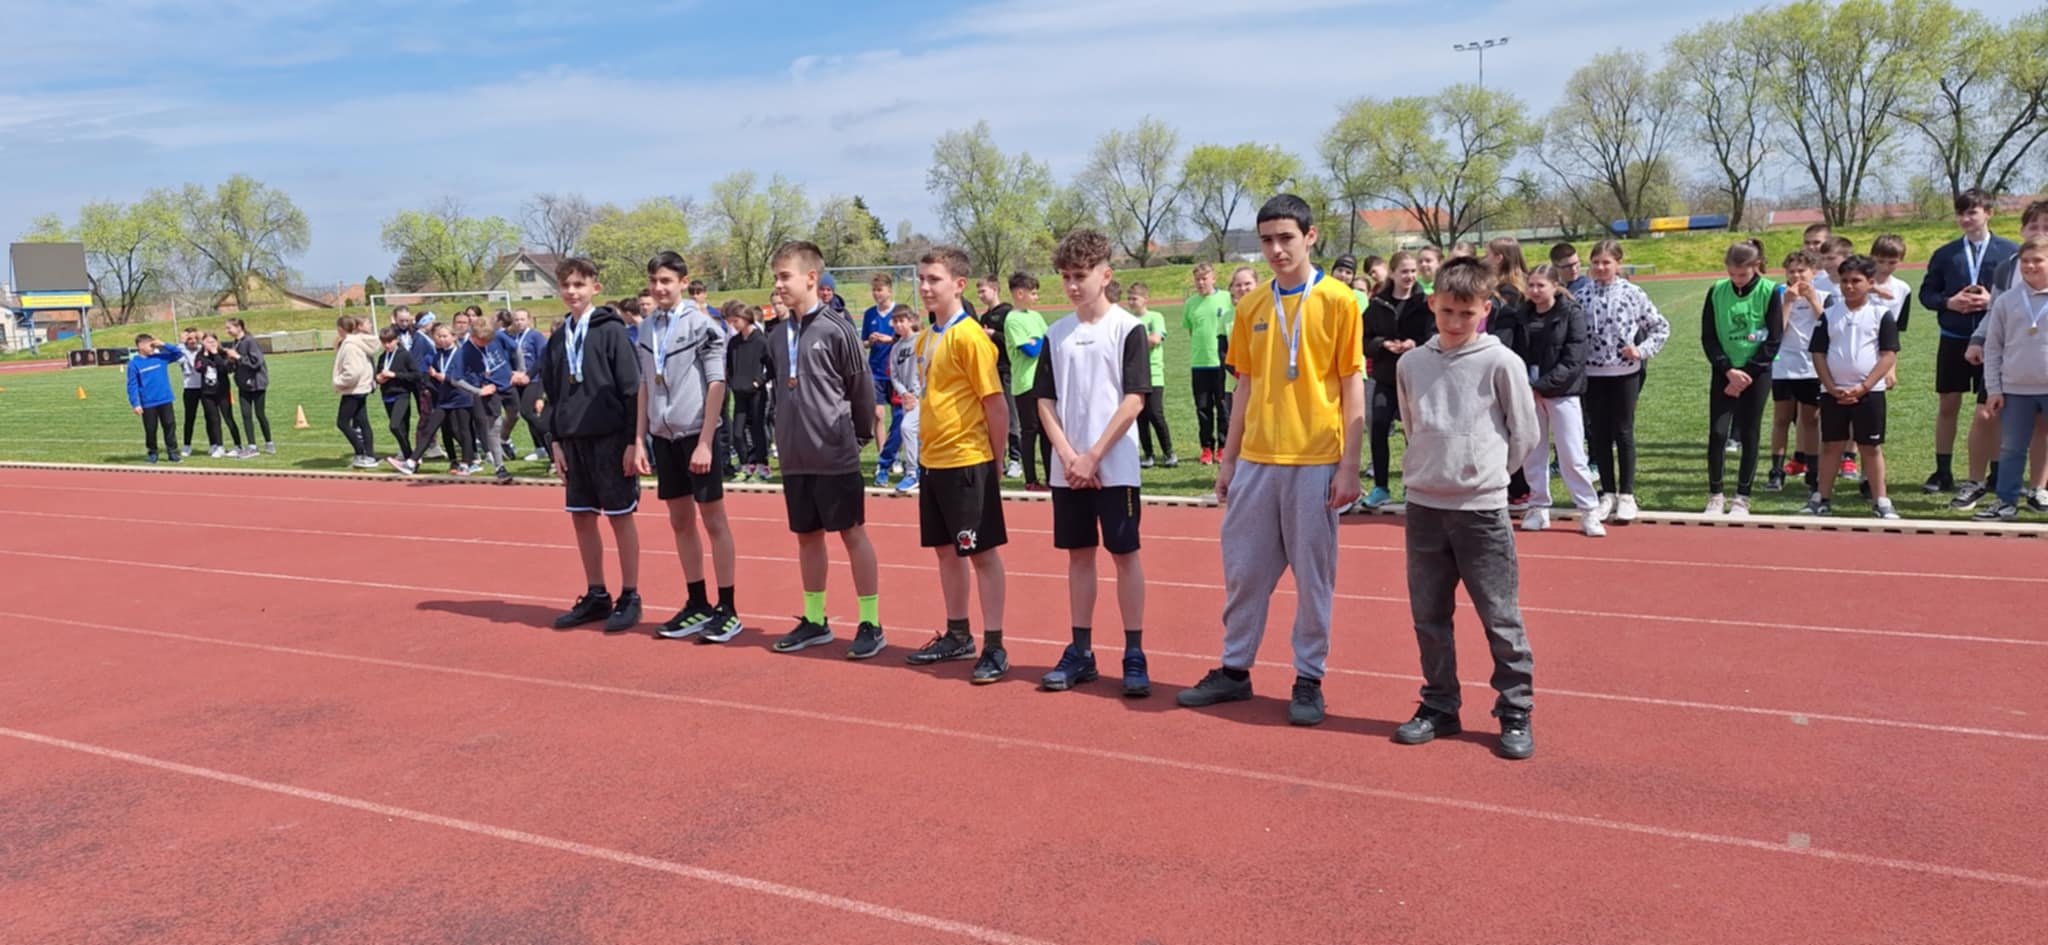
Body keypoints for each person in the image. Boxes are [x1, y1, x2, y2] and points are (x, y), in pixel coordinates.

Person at [1178, 194, 1364, 727]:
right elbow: (1244, 386)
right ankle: (1235, 670)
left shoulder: (1340, 301)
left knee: (1313, 579)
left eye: (1286, 238)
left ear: (1310, 236)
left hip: (1315, 458)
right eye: (1267, 241)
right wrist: (1229, 460)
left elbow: (1352, 383)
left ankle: (1308, 677)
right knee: (1243, 573)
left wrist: (1350, 464)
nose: (1277, 249)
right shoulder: (1252, 305)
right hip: (1257, 460)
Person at [1389, 256, 1541, 759]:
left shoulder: (1501, 362)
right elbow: (1412, 424)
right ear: (1432, 303)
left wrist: (1487, 472)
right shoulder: (1411, 364)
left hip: (1481, 510)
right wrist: (1430, 465)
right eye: (1447, 311)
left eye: (1466, 313)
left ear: (1486, 309)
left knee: (1500, 616)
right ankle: (1440, 705)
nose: (1455, 322)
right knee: (1428, 616)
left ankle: (1515, 708)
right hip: (1424, 506)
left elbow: (1525, 433)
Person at [1034, 229, 1151, 696]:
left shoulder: (1127, 328)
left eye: (1080, 275)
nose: (1072, 285)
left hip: (1114, 466)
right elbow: (1044, 401)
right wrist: (1068, 456)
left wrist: (1094, 454)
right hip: (1069, 471)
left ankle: (1134, 653)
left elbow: (1135, 398)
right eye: (1065, 276)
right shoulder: (1056, 333)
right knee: (1079, 556)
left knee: (1124, 555)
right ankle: (1081, 652)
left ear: (1105, 274)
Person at [764, 241, 884, 658]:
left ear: (811, 278)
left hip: (834, 453)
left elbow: (860, 389)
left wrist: (857, 438)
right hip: (795, 456)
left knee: (852, 533)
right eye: (776, 277)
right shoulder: (777, 335)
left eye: (785, 277)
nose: (779, 285)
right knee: (807, 537)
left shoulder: (838, 329)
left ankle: (870, 622)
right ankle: (815, 620)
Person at [901, 244, 1012, 684]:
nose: (926, 287)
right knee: (946, 552)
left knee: (981, 553)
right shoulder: (925, 338)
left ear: (959, 284)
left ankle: (995, 644)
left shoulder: (970, 337)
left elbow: (995, 405)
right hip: (933, 461)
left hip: (968, 460)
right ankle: (958, 633)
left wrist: (995, 462)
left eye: (935, 279)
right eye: (922, 279)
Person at [630, 251, 742, 643]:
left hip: (696, 434)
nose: (659, 288)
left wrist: (707, 442)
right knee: (680, 521)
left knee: (713, 521)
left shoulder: (703, 325)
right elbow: (645, 384)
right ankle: (697, 602)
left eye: (666, 281)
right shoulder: (646, 328)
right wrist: (639, 439)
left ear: (683, 282)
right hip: (663, 437)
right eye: (653, 281)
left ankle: (727, 607)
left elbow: (717, 384)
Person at [539, 258, 644, 633]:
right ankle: (596, 593)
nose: (572, 291)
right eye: (566, 285)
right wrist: (555, 441)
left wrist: (633, 441)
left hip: (611, 438)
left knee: (620, 515)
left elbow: (632, 389)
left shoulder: (612, 331)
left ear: (595, 288)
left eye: (579, 285)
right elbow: (552, 396)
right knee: (582, 516)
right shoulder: (557, 339)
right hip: (573, 440)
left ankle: (630, 595)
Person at [1921, 189, 2018, 503]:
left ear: (1988, 213)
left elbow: (2021, 295)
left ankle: (1996, 472)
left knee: (1992, 409)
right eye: (1960, 213)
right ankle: (1942, 470)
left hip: (1995, 342)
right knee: (1948, 405)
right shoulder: (1945, 254)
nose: (1965, 219)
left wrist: (1992, 302)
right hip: (1953, 337)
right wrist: (1948, 302)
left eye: (1972, 212)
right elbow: (1926, 294)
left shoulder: (2011, 253)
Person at [1575, 239, 1669, 524]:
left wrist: (1640, 350)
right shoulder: (1581, 295)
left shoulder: (1633, 293)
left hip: (1625, 373)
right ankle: (1608, 492)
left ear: (1618, 263)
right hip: (1593, 375)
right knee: (1598, 434)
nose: (1601, 267)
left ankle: (1627, 494)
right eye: (1596, 262)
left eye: (1606, 262)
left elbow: (1660, 327)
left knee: (1623, 431)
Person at [1805, 255, 1902, 519]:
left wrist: (1865, 386)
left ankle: (1881, 500)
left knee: (1870, 447)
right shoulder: (1828, 315)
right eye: (1845, 281)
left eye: (1856, 281)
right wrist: (1830, 386)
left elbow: (1888, 355)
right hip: (1833, 392)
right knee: (1831, 445)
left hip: (1870, 393)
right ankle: (1821, 498)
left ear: (1870, 282)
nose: (1849, 286)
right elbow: (1818, 353)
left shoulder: (1881, 315)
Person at [1968, 199, 2048, 509]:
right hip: (2013, 372)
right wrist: (1977, 339)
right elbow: (1994, 317)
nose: (2040, 231)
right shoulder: (2007, 269)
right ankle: (1985, 488)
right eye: (2034, 225)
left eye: (2046, 226)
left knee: (2042, 433)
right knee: (1994, 424)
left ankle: (2038, 489)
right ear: (2022, 230)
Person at [1701, 239, 1783, 515]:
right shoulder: (1716, 291)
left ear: (1756, 265)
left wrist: (1747, 373)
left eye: (1742, 274)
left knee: (1749, 432)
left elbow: (1773, 338)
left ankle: (1742, 497)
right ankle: (1716, 494)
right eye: (1732, 273)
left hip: (1755, 373)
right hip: (1725, 372)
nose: (1736, 279)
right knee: (1718, 432)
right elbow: (1709, 336)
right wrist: (1728, 370)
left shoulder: (1770, 291)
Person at [1519, 263, 1602, 536]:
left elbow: (1574, 358)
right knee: (1534, 452)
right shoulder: (1522, 314)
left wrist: (1543, 385)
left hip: (1562, 392)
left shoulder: (1571, 313)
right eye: (1531, 285)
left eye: (1540, 285)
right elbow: (1515, 353)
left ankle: (1588, 510)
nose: (1535, 291)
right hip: (1529, 393)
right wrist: (1526, 385)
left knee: (1572, 454)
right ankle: (1538, 506)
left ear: (1555, 286)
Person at [1360, 250, 1432, 509]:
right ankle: (1380, 487)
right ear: (1392, 273)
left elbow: (1434, 336)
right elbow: (1364, 340)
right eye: (1404, 271)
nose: (1410, 276)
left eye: (1413, 271)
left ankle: (1415, 485)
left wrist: (1415, 343)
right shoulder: (1378, 304)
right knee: (1378, 426)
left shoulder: (1425, 303)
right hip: (1385, 377)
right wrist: (1382, 344)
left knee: (1415, 432)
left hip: (1416, 378)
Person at [1768, 251, 1830, 496]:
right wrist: (1788, 303)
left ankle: (1813, 470)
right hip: (1784, 365)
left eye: (1801, 271)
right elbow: (1776, 332)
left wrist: (1812, 300)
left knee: (1811, 420)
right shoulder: (1779, 295)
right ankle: (1776, 471)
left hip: (1812, 366)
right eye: (1791, 271)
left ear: (1813, 272)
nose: (1796, 275)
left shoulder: (1825, 296)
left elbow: (1828, 327)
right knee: (1781, 419)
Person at [400, 323, 476, 475]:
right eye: (439, 336)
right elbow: (432, 375)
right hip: (444, 398)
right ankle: (411, 462)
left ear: (454, 337)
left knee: (463, 430)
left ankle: (467, 463)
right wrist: (432, 380)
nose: (442, 339)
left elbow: (463, 376)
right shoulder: (437, 356)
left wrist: (444, 377)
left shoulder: (461, 354)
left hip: (461, 396)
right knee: (430, 428)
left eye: (445, 336)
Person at [1004, 275, 1052, 489]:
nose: (1036, 297)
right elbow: (1030, 350)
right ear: (1020, 293)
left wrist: (1038, 341)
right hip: (1025, 383)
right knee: (1030, 431)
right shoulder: (1013, 319)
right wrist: (1037, 341)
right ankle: (1031, 479)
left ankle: (1051, 477)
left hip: (1043, 381)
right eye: (1033, 293)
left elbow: (1048, 342)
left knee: (1047, 431)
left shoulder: (1036, 316)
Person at [1184, 263, 1232, 465]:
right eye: (1197, 279)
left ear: (1213, 278)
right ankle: (1206, 448)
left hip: (1221, 363)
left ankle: (1223, 447)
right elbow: (1191, 330)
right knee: (1203, 408)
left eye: (1204, 278)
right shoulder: (1190, 303)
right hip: (1199, 364)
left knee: (1223, 407)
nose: (1201, 283)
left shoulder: (1226, 298)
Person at [861, 273, 905, 486]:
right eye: (874, 290)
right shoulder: (870, 314)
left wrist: (891, 339)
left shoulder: (900, 312)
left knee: (899, 418)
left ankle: (895, 454)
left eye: (880, 290)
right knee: (878, 415)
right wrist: (869, 341)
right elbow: (863, 342)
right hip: (876, 371)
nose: (877, 294)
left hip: (897, 372)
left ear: (889, 290)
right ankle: (883, 458)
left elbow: (911, 337)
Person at [456, 319, 513, 481]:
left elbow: (515, 349)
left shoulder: (495, 338)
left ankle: (503, 443)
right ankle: (499, 467)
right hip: (486, 390)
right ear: (473, 336)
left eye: (489, 340)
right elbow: (456, 379)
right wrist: (479, 391)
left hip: (505, 383)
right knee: (494, 424)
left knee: (516, 415)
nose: (486, 343)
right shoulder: (465, 351)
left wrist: (519, 370)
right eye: (483, 341)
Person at [1129, 281, 1177, 469]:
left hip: (1153, 373)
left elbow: (1155, 339)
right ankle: (1148, 454)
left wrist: (1135, 344)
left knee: (1156, 414)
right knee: (1140, 416)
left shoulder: (1155, 317)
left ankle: (1169, 452)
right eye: (1129, 298)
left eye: (1135, 298)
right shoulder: (1128, 320)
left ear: (1145, 299)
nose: (1131, 302)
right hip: (1135, 375)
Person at [724, 302, 774, 482]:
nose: (733, 325)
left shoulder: (761, 341)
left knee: (757, 429)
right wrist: (732, 382)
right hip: (739, 393)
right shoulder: (734, 342)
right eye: (731, 321)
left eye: (736, 321)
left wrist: (758, 382)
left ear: (746, 319)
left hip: (756, 393)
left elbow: (772, 368)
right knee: (737, 432)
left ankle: (762, 466)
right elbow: (729, 367)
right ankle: (746, 465)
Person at [975, 276, 1019, 476]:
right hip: (990, 371)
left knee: (1011, 415)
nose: (980, 295)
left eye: (983, 291)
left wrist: (994, 334)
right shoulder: (984, 317)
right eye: (978, 292)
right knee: (991, 415)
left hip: (1007, 369)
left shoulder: (1008, 313)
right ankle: (996, 456)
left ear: (994, 289)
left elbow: (1013, 340)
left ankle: (1015, 459)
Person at [330, 315, 382, 469]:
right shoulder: (358, 342)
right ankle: (369, 455)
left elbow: (353, 372)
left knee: (342, 423)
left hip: (354, 389)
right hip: (361, 387)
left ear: (340, 329)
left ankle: (362, 452)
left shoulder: (350, 346)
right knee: (363, 422)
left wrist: (338, 382)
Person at [125, 333, 184, 463]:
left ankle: (172, 452)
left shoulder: (160, 357)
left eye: (154, 344)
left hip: (165, 399)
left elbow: (178, 353)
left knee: (169, 425)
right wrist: (135, 403)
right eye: (150, 345)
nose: (153, 347)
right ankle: (152, 452)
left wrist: (163, 344)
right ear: (140, 346)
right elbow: (132, 385)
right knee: (150, 429)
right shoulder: (134, 364)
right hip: (148, 402)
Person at [888, 304, 928, 493]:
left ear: (910, 321)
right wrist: (904, 393)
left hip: (922, 396)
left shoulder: (921, 341)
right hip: (907, 398)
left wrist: (916, 393)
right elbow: (894, 375)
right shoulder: (896, 347)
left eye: (901, 321)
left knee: (907, 428)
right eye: (895, 321)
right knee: (914, 433)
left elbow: (925, 368)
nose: (898, 325)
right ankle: (918, 469)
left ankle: (913, 472)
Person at [504, 308, 549, 461]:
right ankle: (539, 447)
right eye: (516, 319)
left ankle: (549, 438)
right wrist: (512, 373)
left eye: (522, 319)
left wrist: (529, 375)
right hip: (517, 380)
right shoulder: (512, 337)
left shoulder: (536, 336)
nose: (519, 322)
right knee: (526, 414)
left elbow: (542, 359)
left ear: (529, 320)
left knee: (527, 412)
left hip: (534, 379)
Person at [223, 317, 272, 457]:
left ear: (239, 327)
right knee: (246, 415)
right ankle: (252, 446)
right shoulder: (236, 343)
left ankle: (269, 443)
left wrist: (238, 357)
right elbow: (236, 365)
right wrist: (230, 361)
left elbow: (256, 362)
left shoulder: (250, 341)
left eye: (229, 327)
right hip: (243, 384)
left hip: (257, 384)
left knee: (260, 414)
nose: (227, 331)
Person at [374, 326, 421, 468]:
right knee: (402, 430)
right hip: (387, 395)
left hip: (402, 394)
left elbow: (416, 375)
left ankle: (410, 456)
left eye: (390, 341)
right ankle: (410, 462)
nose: (387, 345)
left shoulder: (405, 355)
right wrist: (378, 378)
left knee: (394, 426)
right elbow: (378, 374)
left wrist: (395, 375)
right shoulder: (383, 357)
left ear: (397, 340)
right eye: (384, 342)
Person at [193, 332, 245, 458]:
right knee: (214, 420)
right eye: (207, 342)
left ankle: (238, 445)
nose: (210, 344)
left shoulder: (223, 354)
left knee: (228, 418)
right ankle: (219, 446)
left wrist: (215, 353)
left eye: (213, 342)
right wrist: (205, 356)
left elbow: (226, 368)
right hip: (207, 393)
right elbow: (199, 368)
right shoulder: (200, 355)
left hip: (222, 392)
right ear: (203, 343)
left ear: (217, 342)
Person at [176, 326, 202, 458]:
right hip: (190, 388)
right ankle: (187, 445)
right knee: (189, 418)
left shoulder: (202, 349)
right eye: (189, 338)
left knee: (211, 417)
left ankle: (215, 444)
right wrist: (181, 341)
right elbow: (176, 354)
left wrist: (201, 337)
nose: (193, 341)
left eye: (195, 338)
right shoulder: (181, 351)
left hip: (205, 387)